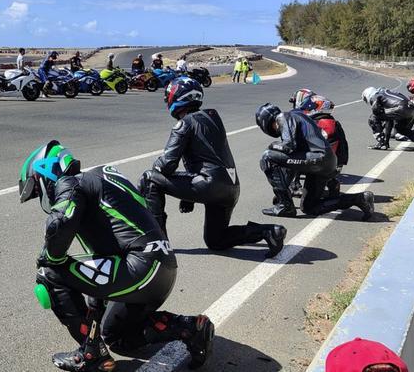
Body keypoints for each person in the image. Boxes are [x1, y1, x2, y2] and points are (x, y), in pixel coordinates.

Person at [20, 140, 214, 371]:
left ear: (45, 173)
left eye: (35, 189)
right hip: (160, 268)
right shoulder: (100, 179)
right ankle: (189, 328)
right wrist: (93, 316)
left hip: (140, 268)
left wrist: (47, 257)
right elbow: (105, 257)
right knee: (116, 336)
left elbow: (59, 225)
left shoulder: (72, 183)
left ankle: (91, 354)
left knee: (49, 273)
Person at [139, 77, 287, 258]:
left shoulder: (183, 124)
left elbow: (167, 165)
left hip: (210, 184)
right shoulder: (213, 117)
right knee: (216, 240)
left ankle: (157, 243)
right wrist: (188, 197)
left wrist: (157, 169)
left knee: (149, 178)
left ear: (175, 96)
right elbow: (204, 157)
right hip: (230, 187)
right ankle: (269, 231)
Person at [256, 104, 374, 219]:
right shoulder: (297, 116)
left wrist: (272, 146)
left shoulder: (283, 117)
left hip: (318, 159)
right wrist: (284, 190)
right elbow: (292, 160)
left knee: (268, 157)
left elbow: (288, 147)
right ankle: (360, 198)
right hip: (326, 161)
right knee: (310, 207)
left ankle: (285, 206)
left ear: (264, 122)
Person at [291, 93, 347, 198]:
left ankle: (294, 185)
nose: (307, 108)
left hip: (317, 163)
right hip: (333, 165)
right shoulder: (334, 123)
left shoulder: (315, 123)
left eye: (310, 106)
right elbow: (343, 146)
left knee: (292, 155)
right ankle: (333, 184)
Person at [362, 87, 414, 151]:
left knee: (373, 118)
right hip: (412, 109)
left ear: (368, 94)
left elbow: (377, 112)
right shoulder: (385, 92)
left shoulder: (375, 96)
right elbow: (389, 119)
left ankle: (382, 143)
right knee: (401, 128)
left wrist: (385, 140)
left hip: (401, 108)